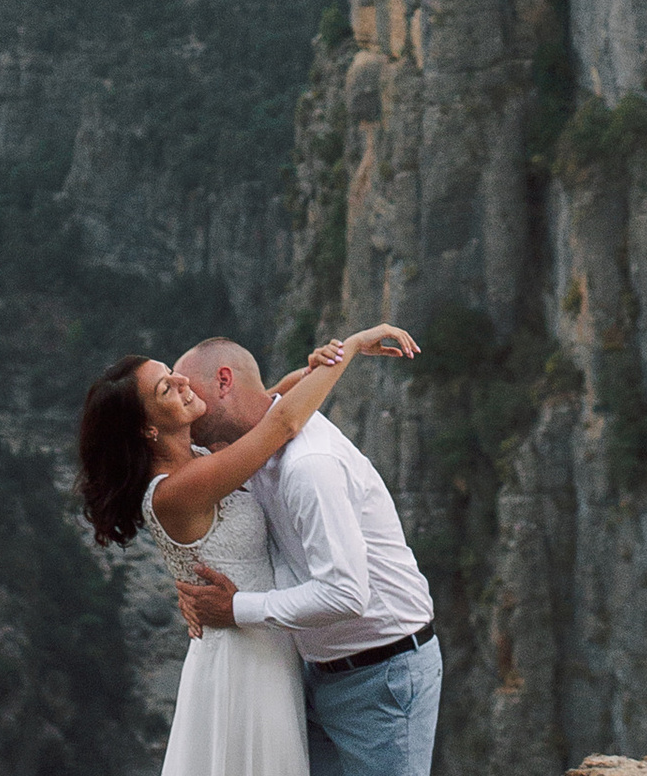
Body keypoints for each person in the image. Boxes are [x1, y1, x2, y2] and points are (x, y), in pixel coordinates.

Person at [78, 322, 421, 776]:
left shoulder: (201, 458)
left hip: (270, 643)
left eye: (173, 373)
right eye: (166, 387)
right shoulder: (178, 489)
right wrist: (352, 346)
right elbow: (279, 422)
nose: (181, 382)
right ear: (146, 429)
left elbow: (266, 402)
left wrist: (311, 368)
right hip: (244, 658)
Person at [170, 335, 441, 776]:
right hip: (318, 670)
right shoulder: (251, 447)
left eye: (189, 391)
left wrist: (236, 608)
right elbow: (275, 401)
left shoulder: (308, 466)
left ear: (224, 381)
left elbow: (347, 595)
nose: (188, 406)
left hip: (382, 674)